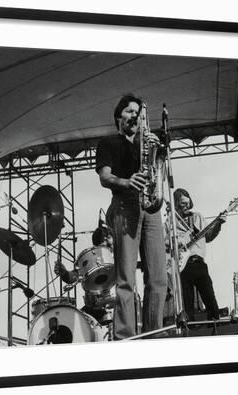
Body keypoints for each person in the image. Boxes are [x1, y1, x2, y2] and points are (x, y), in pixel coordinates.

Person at [94, 93, 168, 340]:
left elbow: (158, 171)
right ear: (118, 116)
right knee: (126, 278)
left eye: (137, 112)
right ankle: (126, 337)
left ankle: (154, 333)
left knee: (158, 277)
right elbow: (105, 177)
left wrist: (158, 152)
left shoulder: (145, 143)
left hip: (151, 207)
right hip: (125, 205)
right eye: (129, 111)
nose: (134, 115)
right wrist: (126, 181)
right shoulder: (108, 143)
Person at [165, 188, 225, 321]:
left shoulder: (197, 217)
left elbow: (208, 236)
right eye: (182, 203)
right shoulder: (171, 222)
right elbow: (165, 242)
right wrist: (180, 241)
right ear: (176, 204)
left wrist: (218, 225)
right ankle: (190, 332)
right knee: (187, 303)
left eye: (188, 202)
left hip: (198, 262)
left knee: (209, 297)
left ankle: (215, 324)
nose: (186, 205)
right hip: (182, 266)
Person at [54, 226, 114, 322]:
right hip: (93, 309)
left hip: (114, 305)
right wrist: (64, 273)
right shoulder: (93, 257)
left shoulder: (118, 257)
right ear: (106, 239)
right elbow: (74, 276)